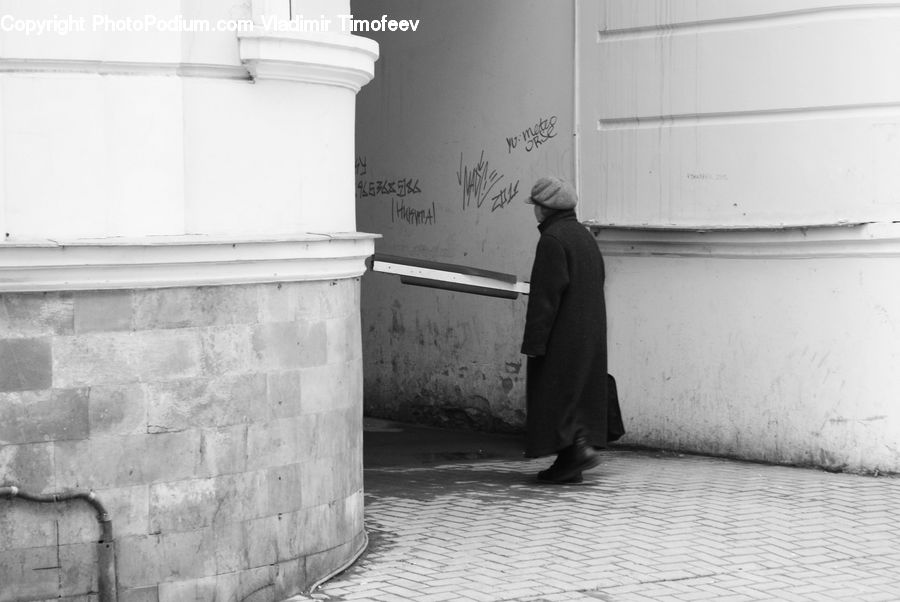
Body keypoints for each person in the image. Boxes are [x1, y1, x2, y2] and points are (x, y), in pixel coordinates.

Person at [521, 176, 621, 484]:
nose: (535, 212)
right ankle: (570, 464)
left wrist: (535, 341)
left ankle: (577, 451)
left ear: (543, 209)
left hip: (562, 333)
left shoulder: (552, 240)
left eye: (535, 206)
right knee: (577, 392)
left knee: (555, 393)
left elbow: (545, 296)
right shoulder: (583, 236)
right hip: (589, 330)